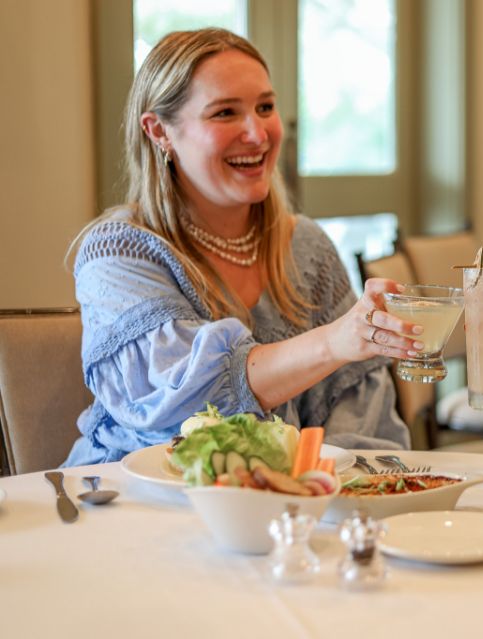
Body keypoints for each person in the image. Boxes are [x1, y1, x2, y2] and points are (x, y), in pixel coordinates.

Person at [64, 28, 419, 466]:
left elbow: (362, 420)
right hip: (133, 502)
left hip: (287, 509)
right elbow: (184, 407)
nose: (257, 133)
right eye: (225, 113)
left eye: (265, 107)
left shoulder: (306, 247)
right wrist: (334, 342)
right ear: (160, 131)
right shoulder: (120, 252)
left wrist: (346, 485)